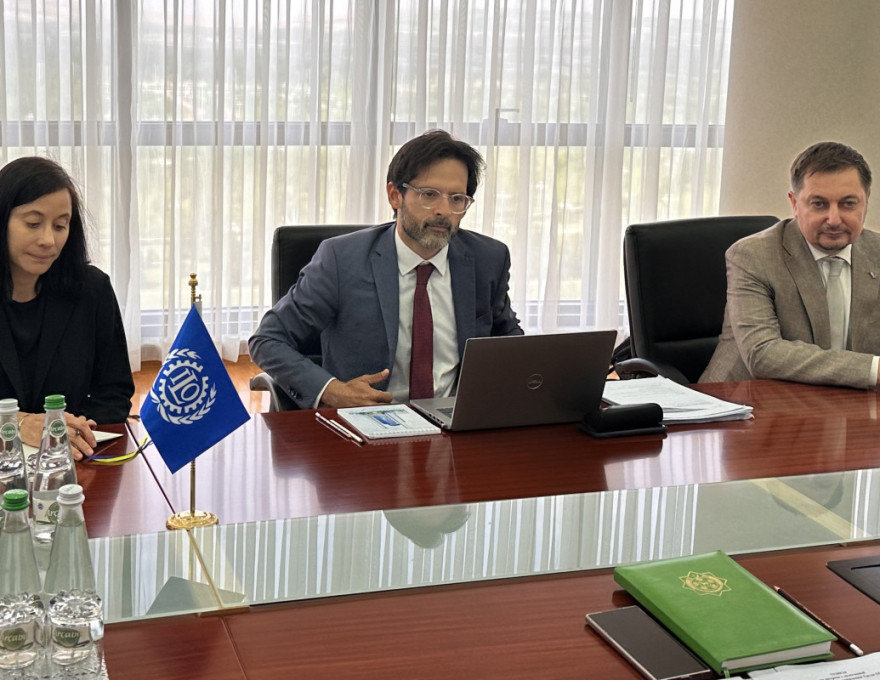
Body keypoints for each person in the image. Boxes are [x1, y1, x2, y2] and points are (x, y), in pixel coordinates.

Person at [249, 129, 523, 409]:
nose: (443, 210)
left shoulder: (488, 258)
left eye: (456, 199)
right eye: (429, 195)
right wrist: (331, 390)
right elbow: (268, 339)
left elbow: (510, 340)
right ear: (395, 196)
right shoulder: (342, 260)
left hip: (457, 419)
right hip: (369, 419)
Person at [701, 141, 880, 388]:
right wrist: (873, 369)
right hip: (746, 399)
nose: (834, 219)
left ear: (866, 200)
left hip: (847, 400)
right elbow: (763, 354)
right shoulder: (753, 256)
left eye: (848, 203)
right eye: (819, 204)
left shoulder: (876, 252)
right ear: (795, 203)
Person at [0, 157, 134, 459]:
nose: (49, 240)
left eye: (60, 226)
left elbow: (114, 392)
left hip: (72, 462)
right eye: (33, 224)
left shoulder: (92, 290)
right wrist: (17, 424)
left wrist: (75, 432)